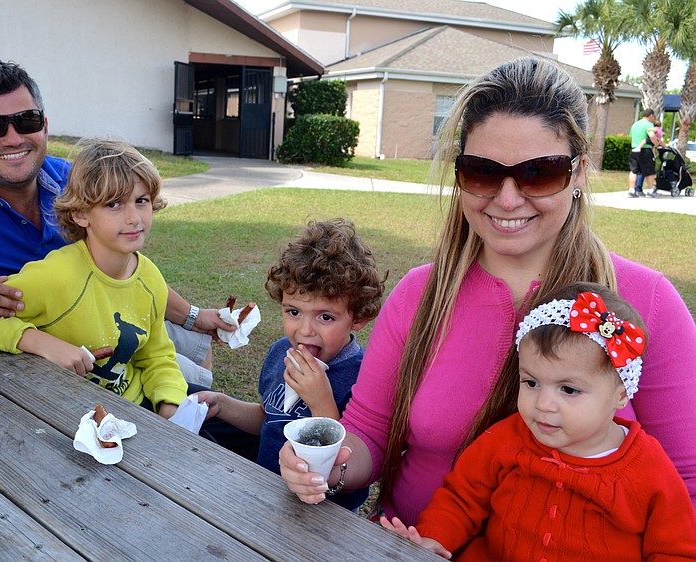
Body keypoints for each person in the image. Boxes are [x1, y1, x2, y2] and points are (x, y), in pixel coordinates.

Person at [278, 57, 696, 526]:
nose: (508, 197)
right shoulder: (419, 295)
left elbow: (686, 485)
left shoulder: (649, 302)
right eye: (482, 171)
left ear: (578, 173)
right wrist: (324, 467)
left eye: (540, 172)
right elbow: (369, 434)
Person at [0, 61, 231, 386]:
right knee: (189, 386)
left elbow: (120, 269)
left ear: (44, 126)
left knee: (197, 356)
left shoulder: (72, 179)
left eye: (26, 120)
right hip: (43, 362)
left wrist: (192, 316)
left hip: (108, 320)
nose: (13, 138)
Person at [379, 283, 696, 560]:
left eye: (568, 389)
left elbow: (676, 550)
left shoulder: (648, 468)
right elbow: (461, 499)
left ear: (621, 394)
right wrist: (435, 539)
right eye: (531, 383)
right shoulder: (508, 437)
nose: (543, 404)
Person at [0, 139, 187, 418]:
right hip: (66, 416)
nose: (134, 218)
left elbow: (157, 356)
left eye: (141, 201)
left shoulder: (152, 279)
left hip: (136, 410)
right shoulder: (54, 276)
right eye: (113, 204)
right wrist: (38, 341)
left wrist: (170, 408)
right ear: (81, 214)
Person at [194, 218, 385, 510]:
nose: (305, 330)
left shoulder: (361, 375)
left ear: (358, 318)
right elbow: (271, 420)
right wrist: (223, 404)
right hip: (268, 492)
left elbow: (346, 458)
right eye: (294, 311)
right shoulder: (281, 352)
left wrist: (321, 401)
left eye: (325, 317)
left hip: (327, 513)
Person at [628, 109, 658, 198]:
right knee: (649, 171)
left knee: (634, 170)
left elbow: (631, 137)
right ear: (651, 115)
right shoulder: (649, 124)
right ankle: (650, 190)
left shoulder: (635, 124)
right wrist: (655, 143)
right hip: (645, 151)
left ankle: (631, 190)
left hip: (634, 149)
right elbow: (652, 135)